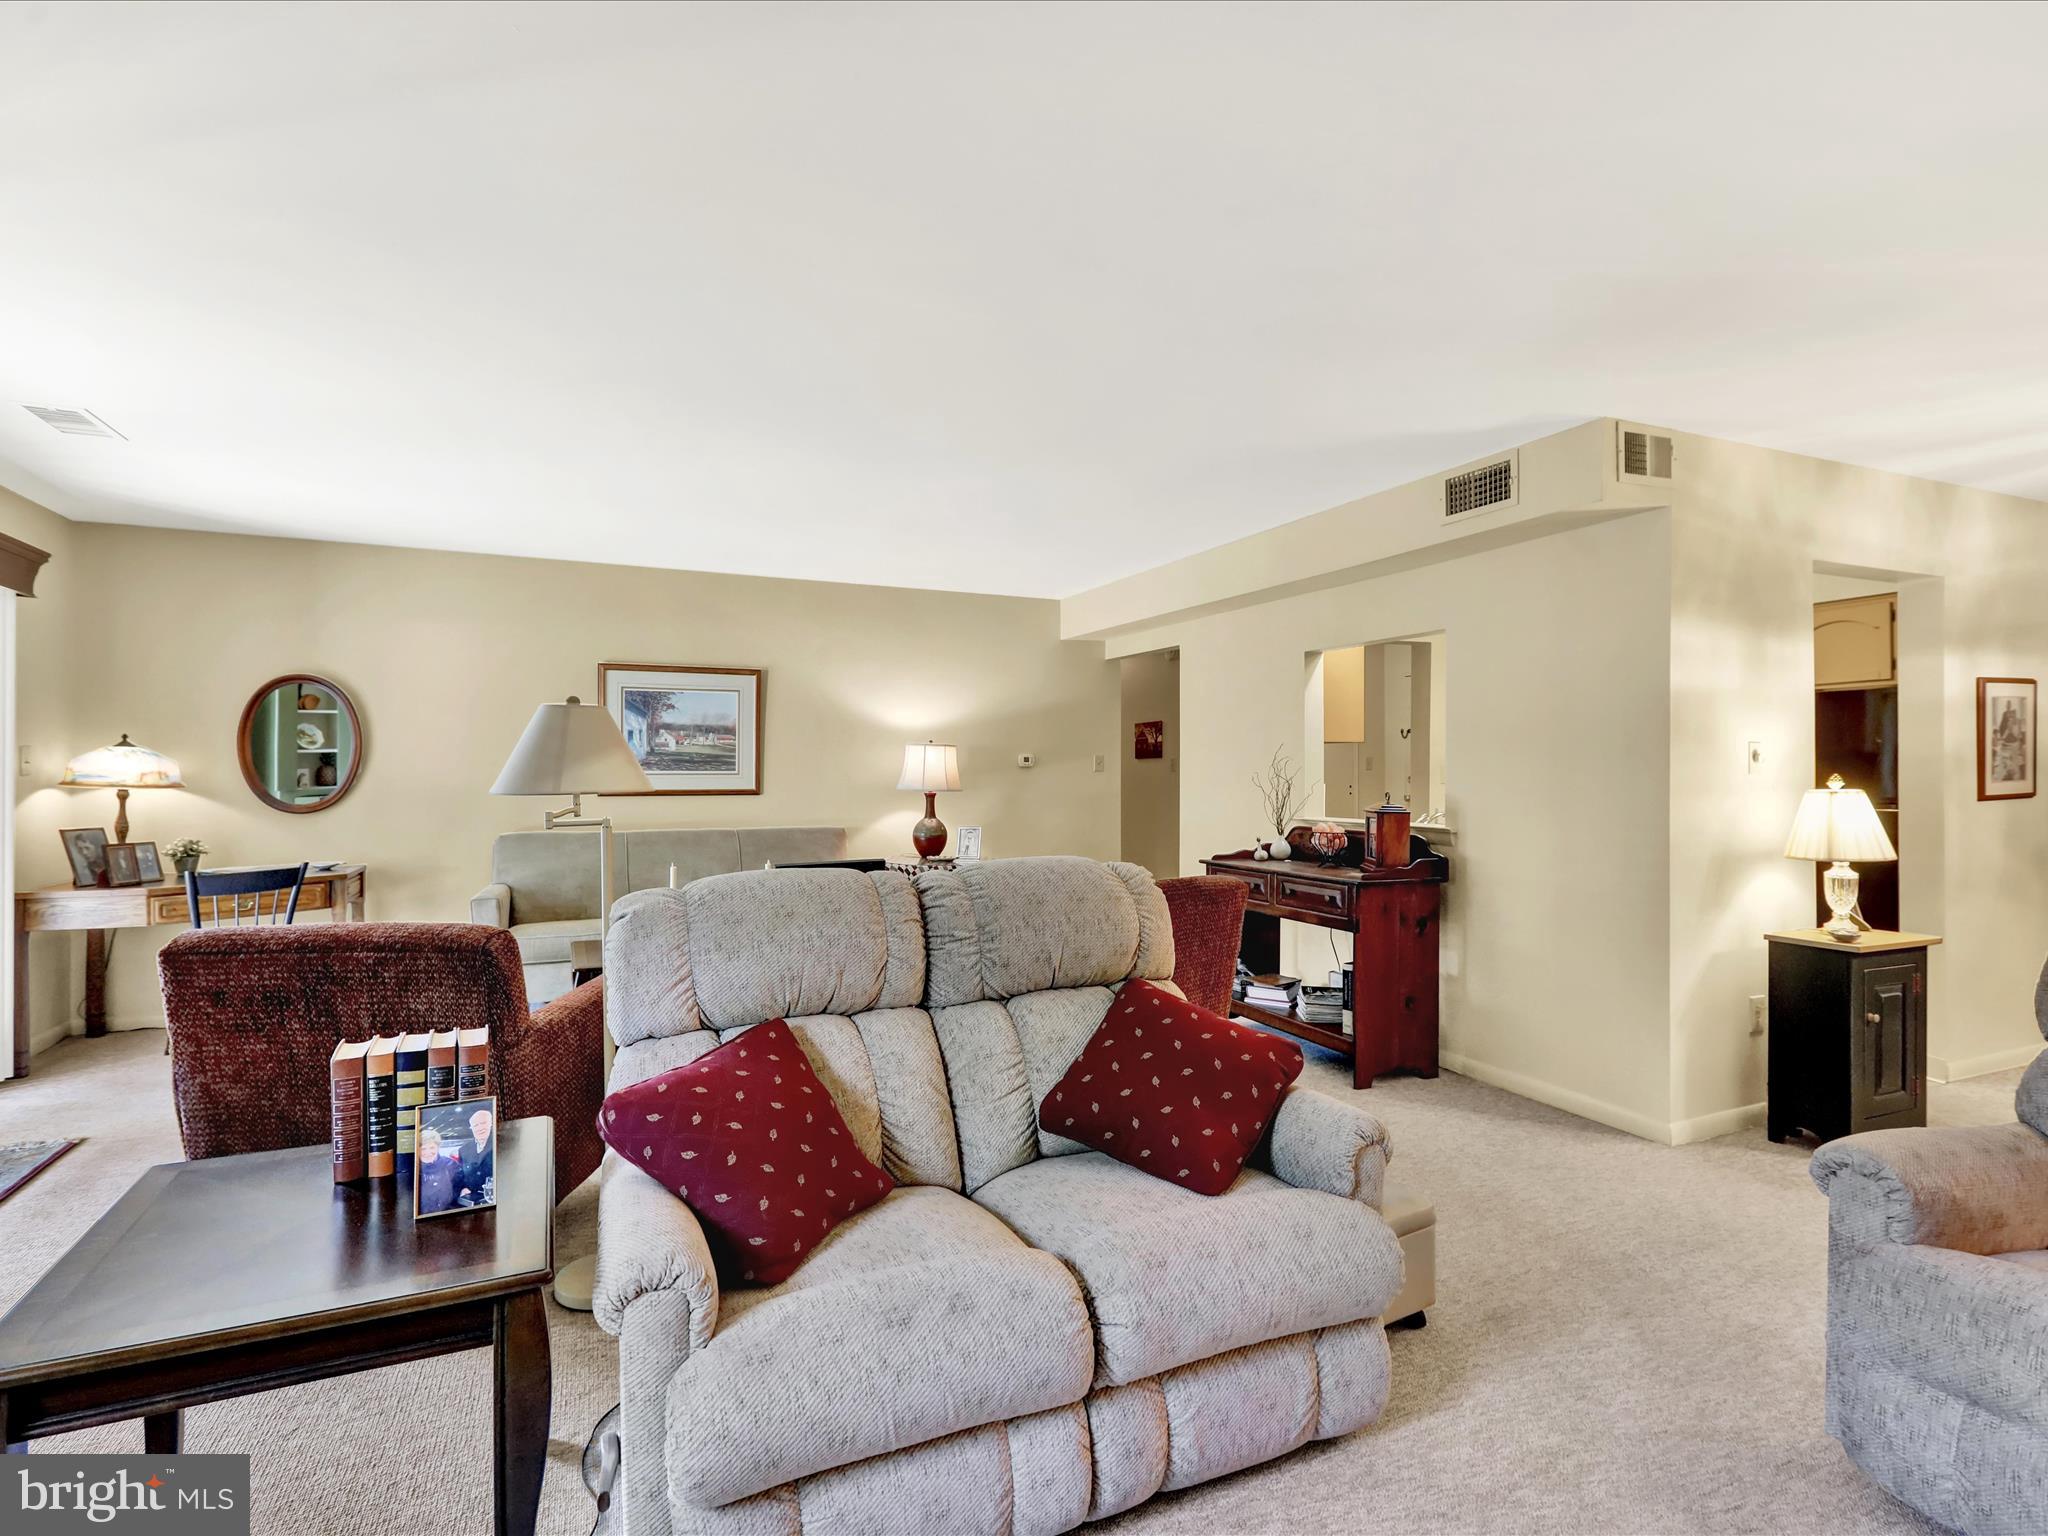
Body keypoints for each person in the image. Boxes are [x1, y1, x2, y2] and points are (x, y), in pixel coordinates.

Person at [454, 1106, 495, 1207]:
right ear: (471, 1128)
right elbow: (460, 1175)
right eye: (476, 1125)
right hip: (471, 1199)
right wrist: (462, 1188)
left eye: (483, 1123)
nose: (480, 1128)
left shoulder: (501, 1144)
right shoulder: (463, 1150)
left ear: (491, 1124)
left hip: (495, 1200)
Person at [415, 1125, 459, 1215]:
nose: (428, 1152)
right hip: (422, 1217)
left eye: (432, 1147)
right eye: (423, 1148)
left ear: (438, 1147)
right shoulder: (413, 1168)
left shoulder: (450, 1164)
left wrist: (463, 1189)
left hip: (447, 1214)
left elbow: (459, 1183)